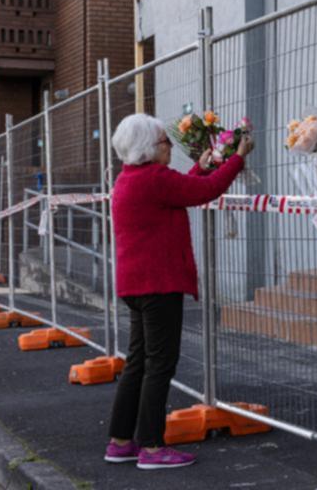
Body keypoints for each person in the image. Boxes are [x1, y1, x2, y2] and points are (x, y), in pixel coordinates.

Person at [104, 113, 253, 470]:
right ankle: (152, 447)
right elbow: (204, 193)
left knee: (138, 363)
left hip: (136, 284)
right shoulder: (154, 179)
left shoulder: (131, 179)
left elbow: (181, 191)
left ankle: (121, 440)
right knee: (160, 364)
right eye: (164, 142)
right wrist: (237, 158)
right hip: (159, 284)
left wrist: (200, 168)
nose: (169, 146)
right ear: (148, 149)